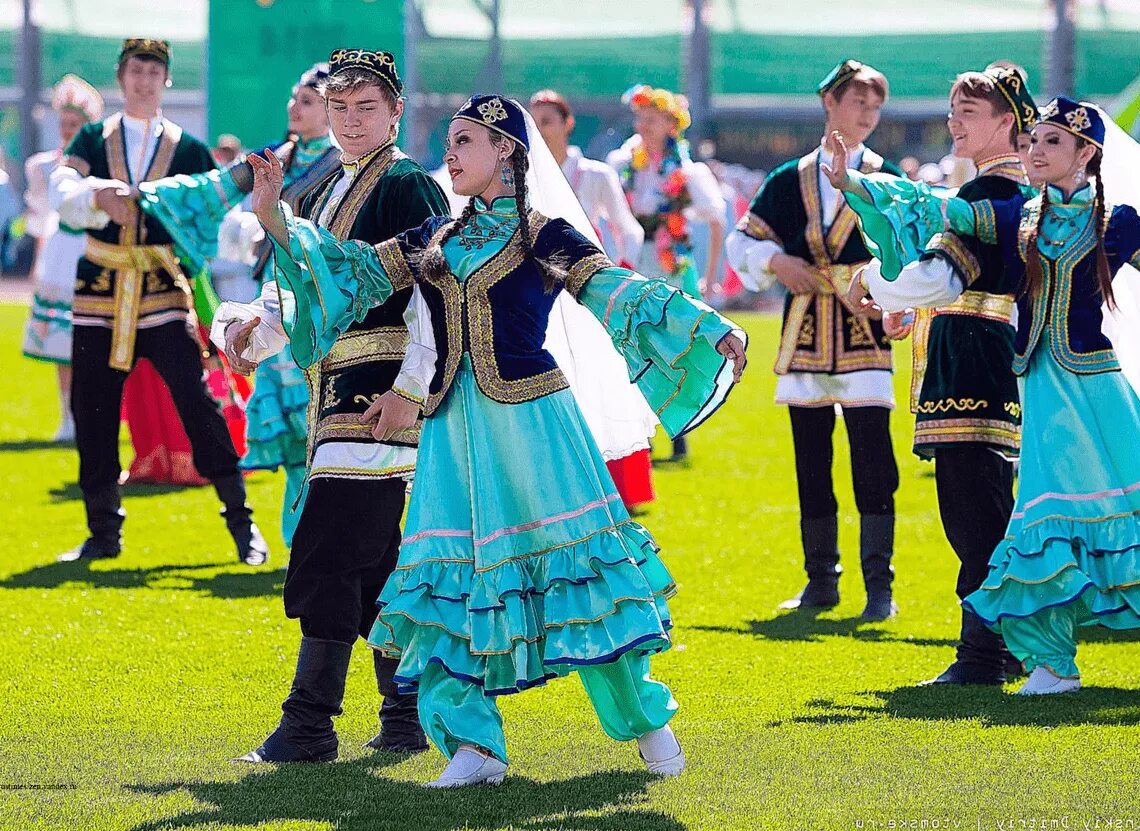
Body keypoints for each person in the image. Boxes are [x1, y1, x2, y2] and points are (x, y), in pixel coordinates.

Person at [248, 94, 747, 786]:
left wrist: (704, 324)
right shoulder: (435, 237)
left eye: (464, 142)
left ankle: (647, 723)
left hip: (535, 428)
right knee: (445, 586)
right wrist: (277, 220)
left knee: (580, 577)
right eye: (449, 142)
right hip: (450, 434)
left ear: (506, 149)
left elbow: (614, 288)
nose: (448, 155)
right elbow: (353, 270)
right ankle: (474, 747)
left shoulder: (542, 233)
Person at [830, 98, 1140, 694]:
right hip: (1040, 388)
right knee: (1042, 519)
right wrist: (854, 183)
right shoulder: (1019, 218)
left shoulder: (1117, 221)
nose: (1037, 151)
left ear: (1087, 154)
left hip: (1098, 390)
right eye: (1034, 141)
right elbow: (937, 207)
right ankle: (1053, 664)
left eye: (1054, 143)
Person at [158, 48, 451, 762]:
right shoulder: (323, 191)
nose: (351, 122)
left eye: (366, 109)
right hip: (336, 394)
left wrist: (412, 389)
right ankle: (406, 714)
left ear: (395, 112)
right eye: (340, 108)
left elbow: (441, 295)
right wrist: (252, 328)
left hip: (381, 394)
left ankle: (310, 721)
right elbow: (300, 290)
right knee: (375, 564)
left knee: (324, 554)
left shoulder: (410, 185)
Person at [851, 66, 1038, 682]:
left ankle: (986, 654)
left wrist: (875, 282)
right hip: (977, 351)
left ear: (1008, 122)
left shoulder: (992, 197)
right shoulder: (996, 191)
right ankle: (1003, 646)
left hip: (976, 358)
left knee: (973, 508)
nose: (955, 122)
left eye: (969, 112)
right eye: (953, 110)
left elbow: (939, 277)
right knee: (981, 503)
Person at [49, 38, 266, 565]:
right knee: (93, 409)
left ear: (166, 81)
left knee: (196, 402)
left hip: (163, 290)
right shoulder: (94, 138)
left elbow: (213, 209)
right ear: (121, 78)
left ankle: (242, 523)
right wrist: (96, 197)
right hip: (101, 287)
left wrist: (259, 226)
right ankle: (102, 532)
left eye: (154, 72)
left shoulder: (188, 147)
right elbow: (62, 186)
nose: (145, 80)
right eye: (136, 71)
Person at [724, 59, 902, 621]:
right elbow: (740, 240)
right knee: (811, 459)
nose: (867, 116)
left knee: (875, 458)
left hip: (866, 331)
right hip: (805, 334)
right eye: (858, 104)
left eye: (875, 107)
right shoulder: (788, 179)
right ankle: (821, 581)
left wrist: (873, 284)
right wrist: (774, 258)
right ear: (830, 103)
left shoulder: (885, 177)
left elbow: (910, 248)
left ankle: (880, 587)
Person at [141, 62, 340, 548]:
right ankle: (300, 544)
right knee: (296, 436)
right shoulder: (274, 160)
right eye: (294, 98)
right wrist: (148, 195)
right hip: (276, 302)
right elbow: (212, 190)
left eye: (308, 101)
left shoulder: (343, 166)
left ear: (334, 111)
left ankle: (329, 542)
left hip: (323, 307)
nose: (294, 107)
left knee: (326, 432)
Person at [529, 88, 656, 512]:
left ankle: (609, 485)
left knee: (596, 382)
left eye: (548, 120)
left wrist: (618, 274)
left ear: (568, 124)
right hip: (537, 297)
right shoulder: (520, 174)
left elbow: (629, 229)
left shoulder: (595, 175)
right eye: (534, 121)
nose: (540, 129)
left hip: (586, 294)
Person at [607, 84, 727, 462]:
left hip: (669, 261)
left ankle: (679, 435)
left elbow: (716, 219)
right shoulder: (625, 162)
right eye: (640, 118)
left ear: (672, 125)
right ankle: (640, 438)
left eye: (653, 120)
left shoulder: (687, 171)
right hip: (634, 256)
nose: (644, 126)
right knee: (632, 343)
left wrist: (709, 277)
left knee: (674, 346)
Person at [21, 75, 104, 443]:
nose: (68, 131)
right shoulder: (43, 166)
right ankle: (67, 414)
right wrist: (38, 266)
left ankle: (93, 414)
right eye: (65, 124)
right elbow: (39, 219)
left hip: (88, 252)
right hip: (59, 254)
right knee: (60, 343)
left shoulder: (99, 163)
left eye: (76, 125)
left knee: (92, 338)